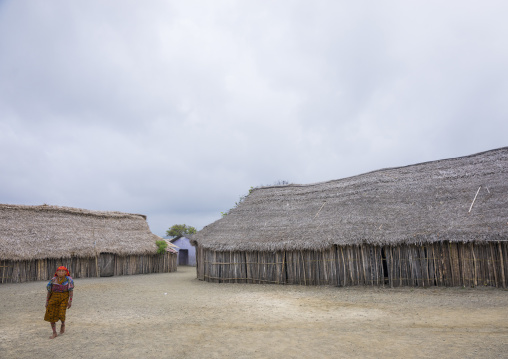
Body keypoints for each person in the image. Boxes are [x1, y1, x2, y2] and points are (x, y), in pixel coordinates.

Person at [44, 266, 74, 339]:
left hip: (64, 298)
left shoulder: (69, 280)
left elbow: (71, 291)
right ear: (56, 272)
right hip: (53, 298)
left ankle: (63, 323)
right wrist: (47, 301)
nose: (61, 272)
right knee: (51, 314)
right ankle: (54, 332)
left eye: (62, 271)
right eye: (59, 271)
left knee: (61, 313)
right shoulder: (53, 280)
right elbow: (49, 291)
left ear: (66, 272)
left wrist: (70, 301)